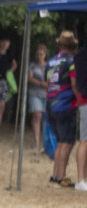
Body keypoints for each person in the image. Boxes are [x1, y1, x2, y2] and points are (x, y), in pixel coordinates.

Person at [45, 30, 78, 188]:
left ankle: (55, 177)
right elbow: (74, 83)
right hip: (66, 105)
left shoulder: (50, 62)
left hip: (51, 105)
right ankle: (61, 177)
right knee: (67, 142)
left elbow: (47, 85)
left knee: (60, 142)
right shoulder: (71, 61)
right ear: (72, 45)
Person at [27, 43, 49, 151]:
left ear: (45, 54)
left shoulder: (49, 65)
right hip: (35, 92)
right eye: (37, 54)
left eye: (41, 54)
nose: (39, 56)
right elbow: (29, 78)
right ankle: (36, 141)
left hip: (46, 94)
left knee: (45, 118)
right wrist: (41, 83)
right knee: (37, 115)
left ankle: (45, 141)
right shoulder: (32, 65)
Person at [72, 35, 87, 191]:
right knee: (85, 140)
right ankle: (80, 180)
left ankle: (83, 179)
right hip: (86, 101)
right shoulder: (83, 56)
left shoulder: (80, 55)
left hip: (83, 100)